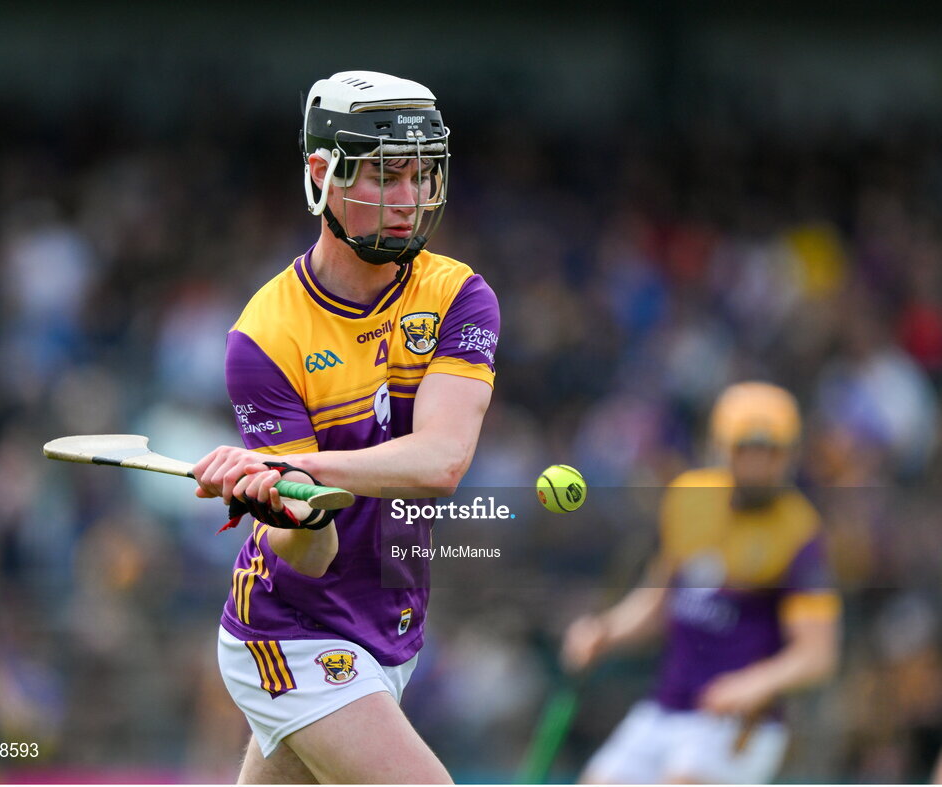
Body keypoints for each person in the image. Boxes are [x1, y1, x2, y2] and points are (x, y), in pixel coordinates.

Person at [191, 71, 499, 784]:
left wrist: (301, 472)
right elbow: (310, 553)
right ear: (321, 173)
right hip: (292, 630)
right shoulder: (266, 337)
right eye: (387, 176)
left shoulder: (458, 296)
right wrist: (284, 502)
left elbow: (442, 460)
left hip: (388, 621)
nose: (409, 201)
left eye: (421, 176)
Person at [562, 382, 841, 784]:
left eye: (771, 454)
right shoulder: (688, 499)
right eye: (746, 452)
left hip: (737, 722)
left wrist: (752, 684)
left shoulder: (799, 533)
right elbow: (656, 604)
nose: (758, 467)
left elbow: (817, 654)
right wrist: (604, 632)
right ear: (720, 448)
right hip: (667, 705)